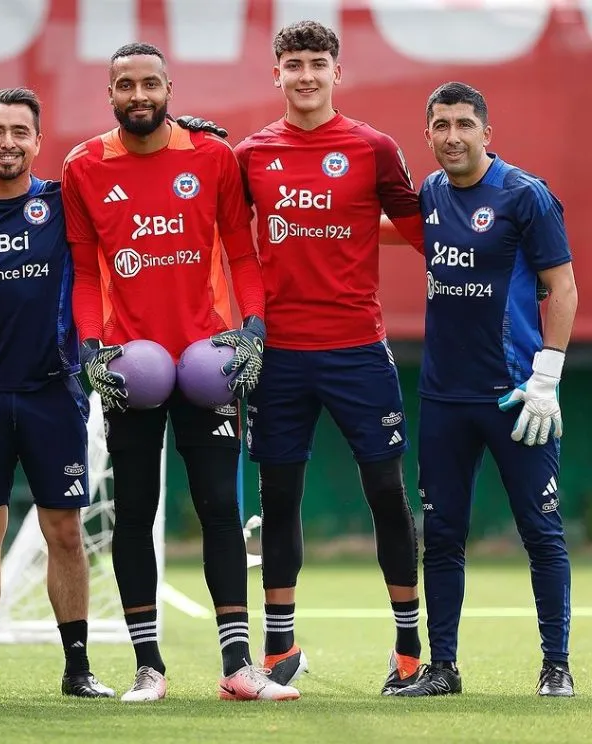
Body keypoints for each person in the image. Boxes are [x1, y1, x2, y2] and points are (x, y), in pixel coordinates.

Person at [62, 42, 299, 703]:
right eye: (125, 85)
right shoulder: (83, 165)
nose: (138, 95)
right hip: (131, 367)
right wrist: (91, 347)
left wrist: (254, 330)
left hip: (208, 365)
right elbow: (84, 273)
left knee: (220, 508)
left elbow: (243, 256)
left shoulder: (212, 156)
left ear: (169, 88)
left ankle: (238, 667)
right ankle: (149, 668)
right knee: (134, 512)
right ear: (110, 94)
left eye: (149, 83)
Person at [230, 20, 426, 696]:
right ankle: (279, 646)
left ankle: (409, 649)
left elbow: (424, 231)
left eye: (318, 63)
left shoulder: (373, 148)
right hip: (279, 355)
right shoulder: (251, 154)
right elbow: (224, 239)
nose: (306, 75)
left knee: (386, 494)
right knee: (279, 498)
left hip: (358, 351)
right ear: (276, 74)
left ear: (337, 72)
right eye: (294, 64)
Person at [392, 82, 578, 698]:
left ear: (486, 133)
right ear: (428, 134)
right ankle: (442, 668)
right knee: (442, 537)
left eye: (464, 124)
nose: (453, 137)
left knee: (541, 532)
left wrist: (547, 376)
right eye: (441, 125)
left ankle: (556, 666)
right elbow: (380, 227)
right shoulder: (430, 192)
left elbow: (563, 287)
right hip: (444, 399)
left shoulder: (525, 196)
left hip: (517, 398)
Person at [0, 87, 115, 701]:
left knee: (64, 530)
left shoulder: (63, 203)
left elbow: (134, 171)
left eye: (20, 132)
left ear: (39, 142)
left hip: (51, 390)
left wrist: (186, 132)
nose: (8, 142)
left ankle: (78, 670)